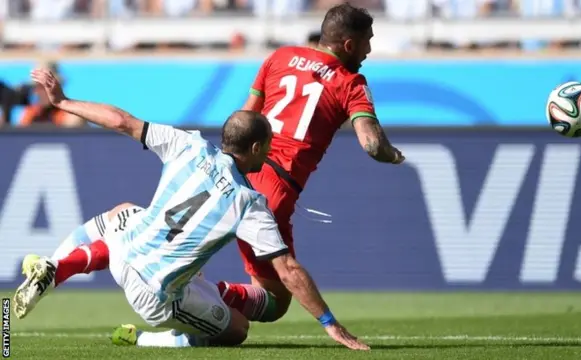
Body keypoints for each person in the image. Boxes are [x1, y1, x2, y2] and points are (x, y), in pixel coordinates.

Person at [13, 67, 369, 350]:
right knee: (237, 330)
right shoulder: (250, 203)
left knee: (123, 211)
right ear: (257, 148)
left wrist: (63, 102)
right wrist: (330, 324)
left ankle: (56, 266)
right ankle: (143, 339)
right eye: (269, 146)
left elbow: (121, 121)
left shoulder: (189, 145)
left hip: (123, 251)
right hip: (154, 294)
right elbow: (288, 271)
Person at [216, 3, 405, 323]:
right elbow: (372, 144)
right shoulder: (351, 83)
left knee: (195, 257)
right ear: (349, 45)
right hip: (274, 191)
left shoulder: (280, 56)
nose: (369, 50)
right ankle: (199, 296)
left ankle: (190, 316)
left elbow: (245, 117)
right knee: (274, 303)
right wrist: (394, 155)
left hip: (236, 171)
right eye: (367, 41)